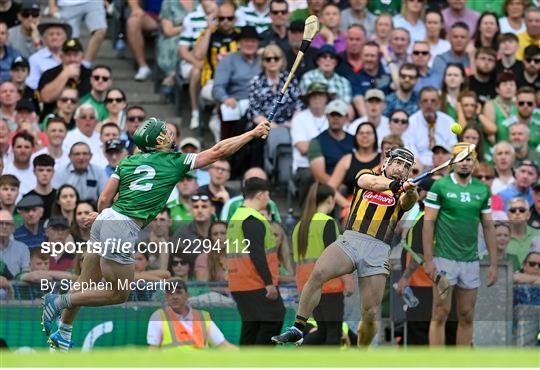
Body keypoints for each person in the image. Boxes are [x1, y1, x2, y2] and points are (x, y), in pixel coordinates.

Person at [42, 116, 270, 351]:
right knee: (119, 293)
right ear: (159, 140)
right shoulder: (174, 161)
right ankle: (59, 301)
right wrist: (251, 133)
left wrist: (104, 218)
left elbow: (103, 200)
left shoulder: (128, 162)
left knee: (85, 282)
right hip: (122, 228)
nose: (171, 135)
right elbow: (218, 151)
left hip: (106, 220)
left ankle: (63, 335)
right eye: (166, 132)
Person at [272, 147, 418, 346]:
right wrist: (394, 184)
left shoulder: (403, 190)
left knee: (370, 312)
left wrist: (411, 191)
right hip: (351, 239)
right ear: (387, 163)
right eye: (398, 163)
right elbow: (371, 183)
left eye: (407, 166)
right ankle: (298, 327)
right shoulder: (367, 174)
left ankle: (362, 352)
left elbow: (408, 203)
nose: (401, 168)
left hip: (378, 248)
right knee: (318, 274)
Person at [423, 143, 498, 346]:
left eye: (469, 159)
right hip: (444, 259)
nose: (465, 163)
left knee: (466, 314)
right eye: (460, 159)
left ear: (474, 162)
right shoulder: (440, 186)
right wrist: (429, 260)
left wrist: (493, 263)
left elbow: (489, 227)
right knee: (440, 312)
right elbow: (428, 224)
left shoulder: (482, 189)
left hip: (470, 260)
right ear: (452, 162)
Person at [394, 177, 459, 346]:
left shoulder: (425, 220)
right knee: (447, 332)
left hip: (423, 287)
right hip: (442, 284)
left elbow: (420, 254)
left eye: (418, 190)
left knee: (420, 336)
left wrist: (404, 279)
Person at [227, 178, 285, 345]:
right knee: (273, 318)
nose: (269, 199)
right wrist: (268, 283)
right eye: (268, 194)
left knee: (251, 325)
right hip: (255, 283)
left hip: (240, 283)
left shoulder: (237, 216)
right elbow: (257, 253)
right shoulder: (252, 219)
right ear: (260, 195)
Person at [292, 182, 349, 345]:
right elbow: (335, 258)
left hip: (308, 286)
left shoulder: (299, 226)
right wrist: (347, 281)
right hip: (329, 285)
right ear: (330, 199)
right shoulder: (327, 222)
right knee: (333, 331)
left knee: (323, 330)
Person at [146, 278, 236, 349]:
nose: (174, 297)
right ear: (166, 297)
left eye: (178, 292)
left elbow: (223, 345)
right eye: (170, 293)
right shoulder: (158, 317)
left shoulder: (202, 317)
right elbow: (153, 350)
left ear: (187, 295)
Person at [212, 25, 262, 141]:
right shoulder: (228, 60)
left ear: (258, 43)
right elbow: (218, 87)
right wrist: (225, 98)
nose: (249, 44)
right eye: (246, 41)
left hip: (260, 105)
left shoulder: (264, 59)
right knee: (227, 114)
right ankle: (227, 157)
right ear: (239, 43)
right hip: (237, 104)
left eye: (253, 41)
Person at [291, 82, 331, 201]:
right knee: (309, 176)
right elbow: (303, 148)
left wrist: (314, 146)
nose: (317, 99)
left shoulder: (333, 117)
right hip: (305, 166)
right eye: (313, 96)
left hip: (330, 165)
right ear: (308, 99)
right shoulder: (299, 119)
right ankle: (305, 215)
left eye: (320, 95)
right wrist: (330, 147)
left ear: (327, 98)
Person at [328, 121, 380, 209]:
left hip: (377, 205)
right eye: (361, 133)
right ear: (355, 137)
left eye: (368, 133)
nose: (365, 135)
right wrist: (346, 204)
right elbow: (330, 188)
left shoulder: (382, 159)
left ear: (375, 137)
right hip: (351, 206)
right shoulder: (347, 159)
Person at [248, 44, 302, 128]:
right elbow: (254, 113)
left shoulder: (290, 79)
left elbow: (298, 105)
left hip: (291, 125)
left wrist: (293, 124)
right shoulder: (256, 81)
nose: (272, 61)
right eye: (268, 59)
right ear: (263, 62)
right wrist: (273, 127)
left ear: (282, 61)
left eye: (276, 58)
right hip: (263, 127)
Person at [402, 87, 458, 167]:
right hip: (419, 167)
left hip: (444, 166)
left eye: (433, 101)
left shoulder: (448, 121)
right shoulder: (411, 122)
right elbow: (409, 149)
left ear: (438, 103)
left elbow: (453, 146)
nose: (429, 104)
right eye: (425, 101)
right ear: (419, 103)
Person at [38, 38, 91, 118]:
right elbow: (46, 98)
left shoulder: (91, 75)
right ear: (61, 56)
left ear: (82, 57)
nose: (72, 59)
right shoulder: (49, 74)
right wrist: (65, 74)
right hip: (53, 121)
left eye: (75, 55)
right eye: (68, 55)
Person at [308, 100, 355, 183]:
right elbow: (319, 175)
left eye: (339, 115)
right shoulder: (317, 142)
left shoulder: (354, 140)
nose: (335, 118)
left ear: (346, 118)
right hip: (328, 187)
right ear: (327, 116)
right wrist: (337, 188)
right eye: (332, 115)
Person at [26, 19, 70, 90]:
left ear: (65, 38)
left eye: (58, 34)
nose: (54, 37)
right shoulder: (35, 59)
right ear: (44, 38)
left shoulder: (72, 57)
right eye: (51, 34)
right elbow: (32, 85)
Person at [126, 0, 161, 81]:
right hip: (154, 16)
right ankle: (143, 66)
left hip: (178, 15)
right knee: (133, 22)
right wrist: (135, 8)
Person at [432, 22, 471, 87]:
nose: (459, 40)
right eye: (455, 37)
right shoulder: (440, 59)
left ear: (468, 40)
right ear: (449, 39)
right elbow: (439, 84)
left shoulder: (472, 59)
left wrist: (472, 57)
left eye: (463, 37)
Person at [506, 198, 538, 267]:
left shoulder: (538, 235)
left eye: (522, 210)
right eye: (513, 210)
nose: (517, 213)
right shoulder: (499, 237)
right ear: (508, 216)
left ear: (528, 215)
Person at [3, 132, 35, 198]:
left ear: (32, 149)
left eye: (27, 147)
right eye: (19, 147)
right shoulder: (4, 170)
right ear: (12, 148)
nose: (23, 150)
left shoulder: (39, 171)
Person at [25, 154, 56, 220]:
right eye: (41, 170)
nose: (45, 174)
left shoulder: (60, 196)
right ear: (34, 171)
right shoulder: (27, 198)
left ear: (53, 172)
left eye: (48, 170)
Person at [0, 209, 29, 278]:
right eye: (1, 223)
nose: (4, 226)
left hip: (14, 288)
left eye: (8, 224)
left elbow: (26, 274)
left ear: (13, 228)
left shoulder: (23, 248)